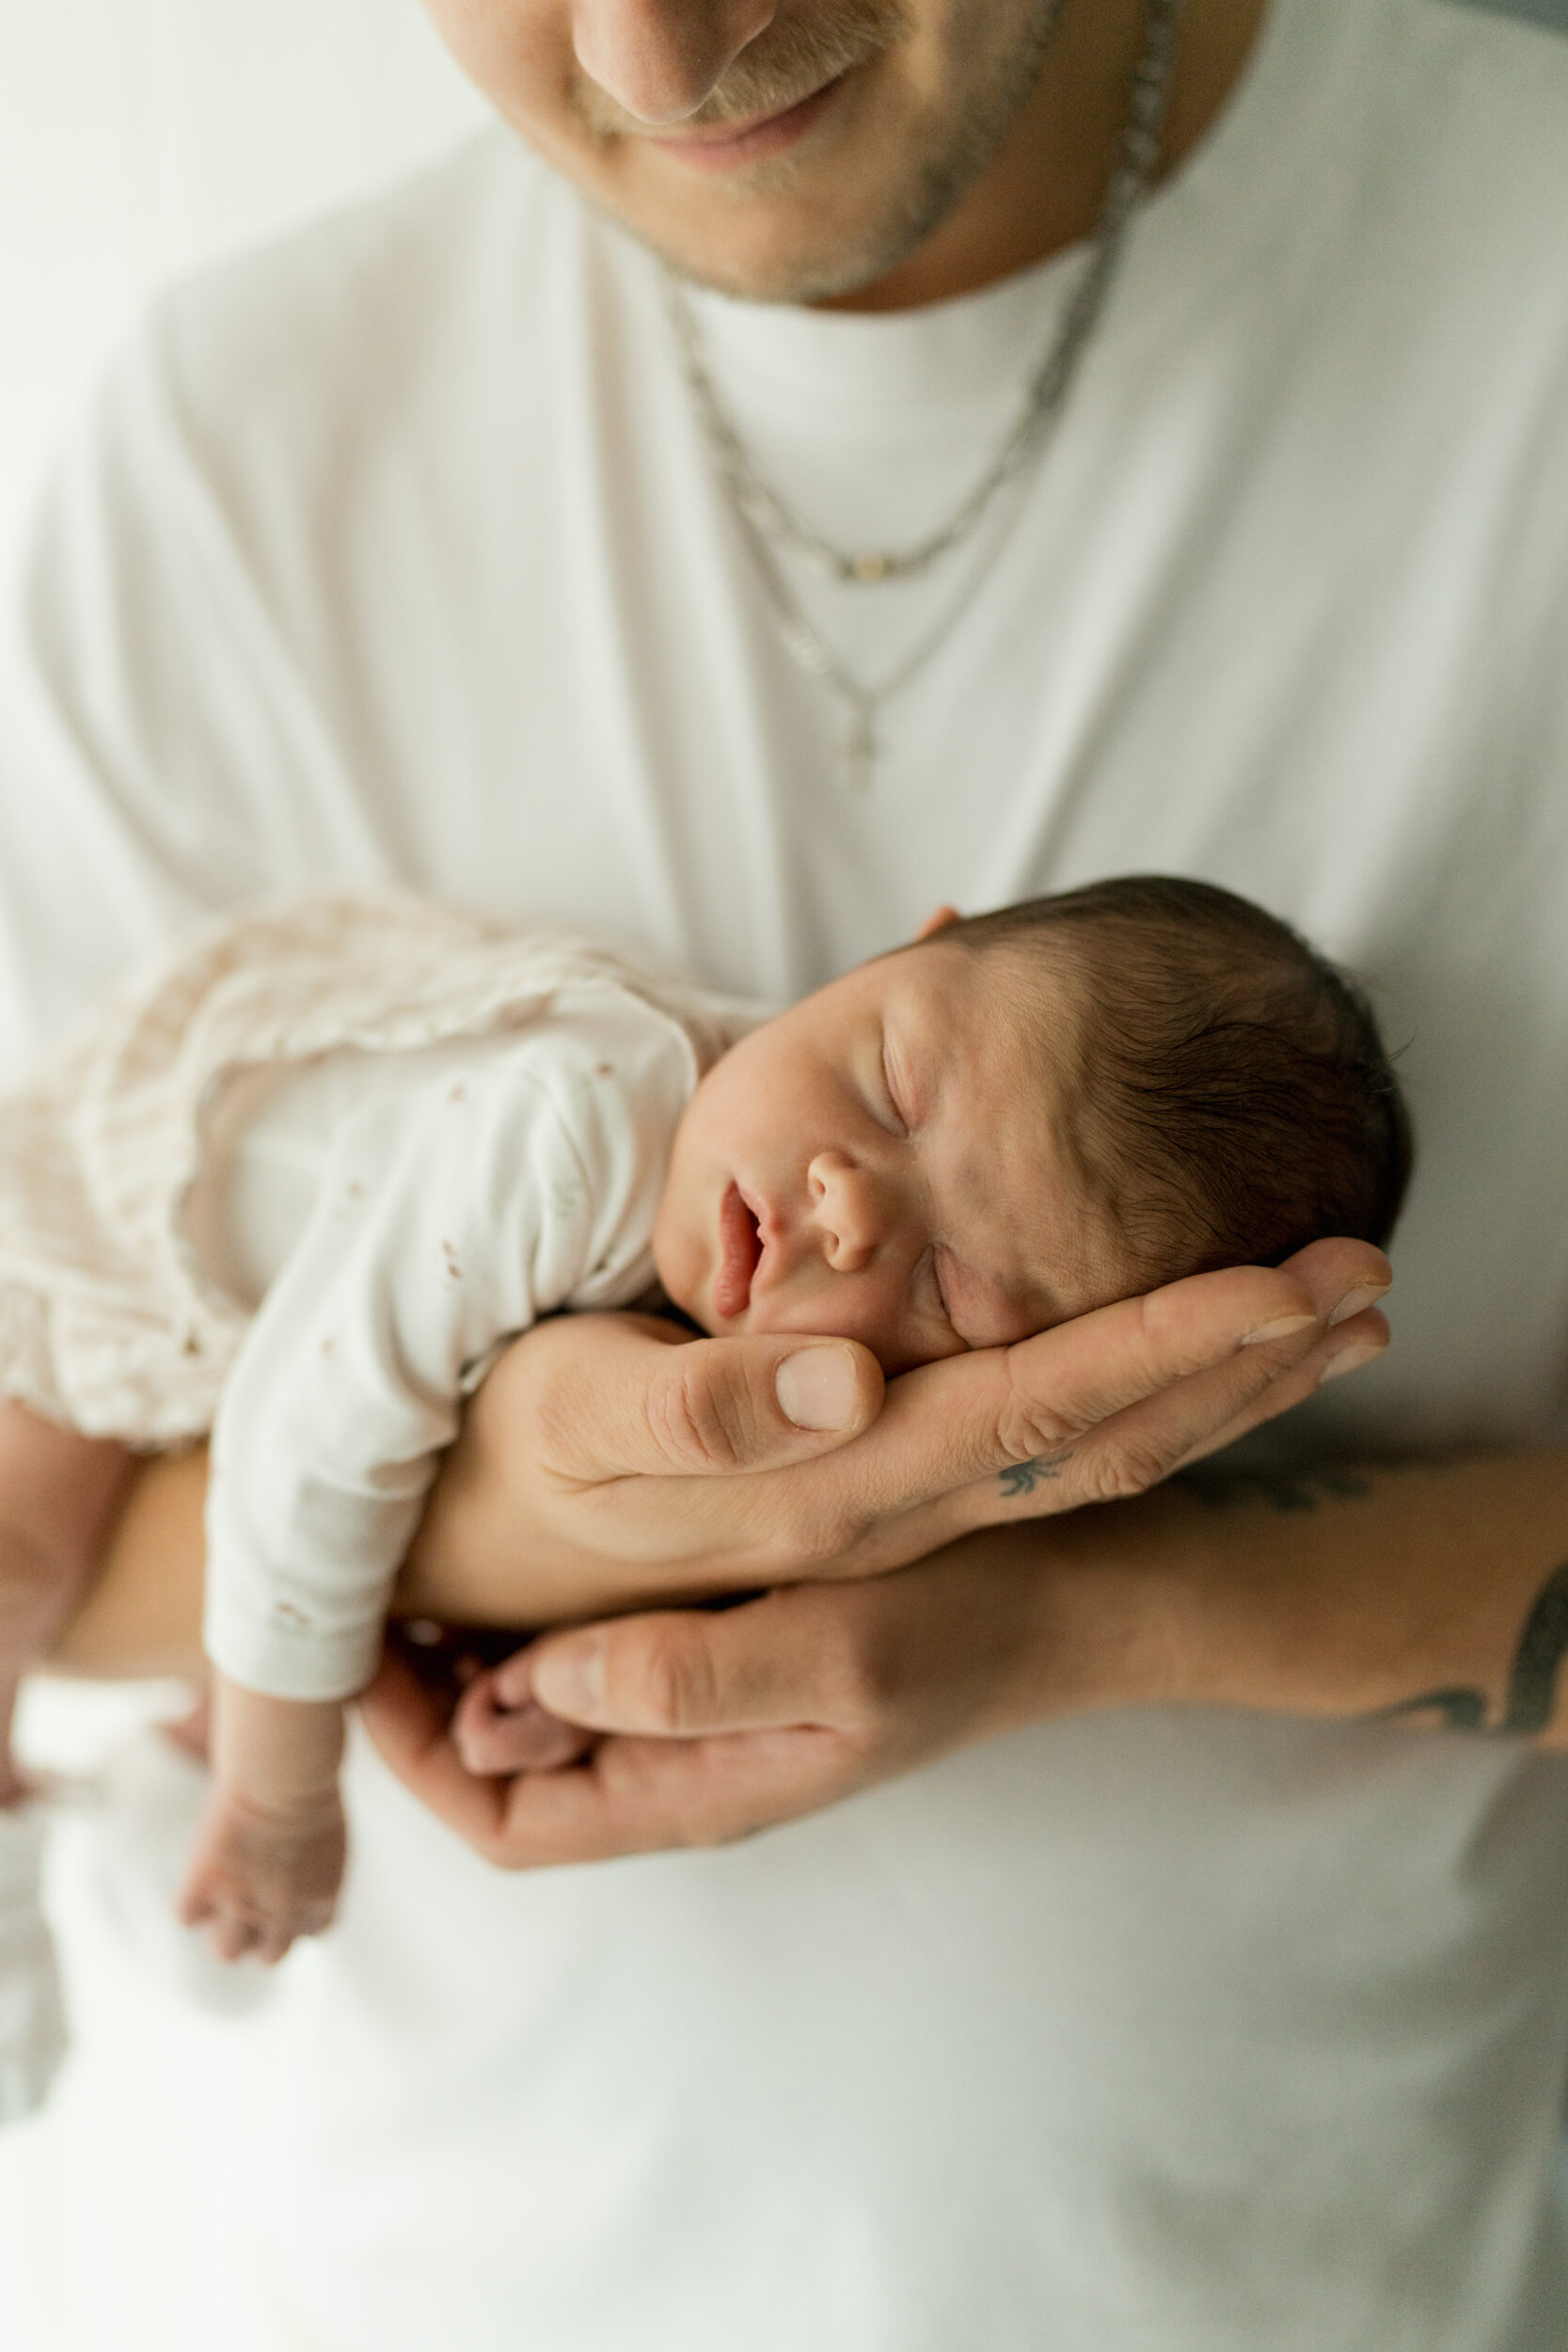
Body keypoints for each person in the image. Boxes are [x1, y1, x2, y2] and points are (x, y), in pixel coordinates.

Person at [8, 0, 1568, 2343]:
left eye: (968, 1302)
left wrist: (1072, 1609)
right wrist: (499, 1541)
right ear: (906, 951)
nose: (651, 50)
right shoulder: (232, 453)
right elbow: (62, 1493)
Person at [0, 874, 1410, 1969]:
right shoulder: (584, 1120)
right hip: (94, 1228)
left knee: (282, 1629)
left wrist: (544, 1678)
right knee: (23, 1567)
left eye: (955, 1288)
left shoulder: (753, 1332)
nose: (850, 1207)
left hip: (253, 1350)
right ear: (903, 949)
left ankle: (143, 1831)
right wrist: (279, 1799)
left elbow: (495, 1486)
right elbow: (315, 1432)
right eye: (894, 1089)